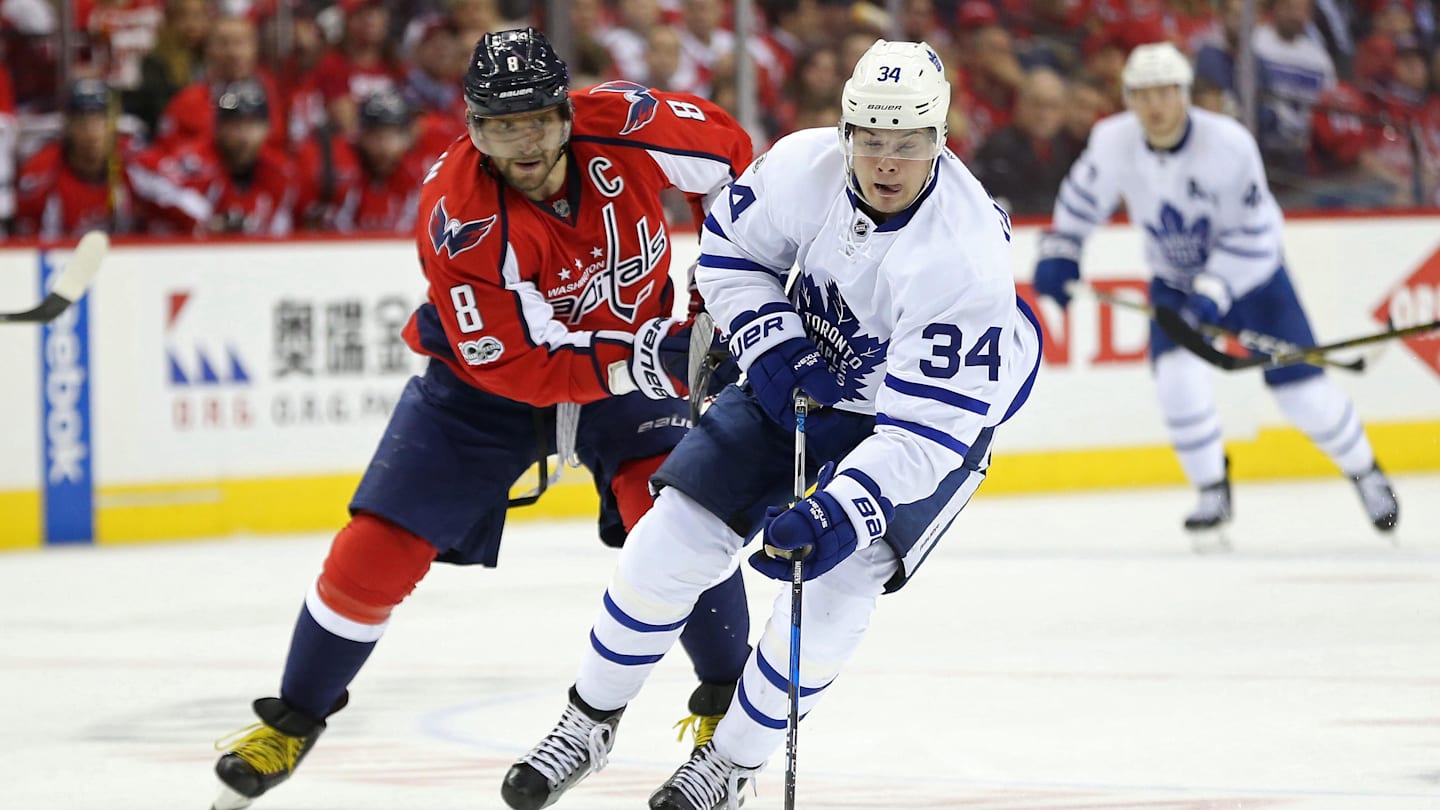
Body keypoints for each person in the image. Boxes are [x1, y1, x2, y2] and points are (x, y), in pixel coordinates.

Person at [208, 28, 755, 810]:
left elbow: (735, 165)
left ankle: (726, 719)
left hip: (635, 357)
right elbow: (515, 366)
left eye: (534, 119)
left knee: (676, 519)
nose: (520, 143)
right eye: (498, 125)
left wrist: (713, 298)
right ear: (472, 126)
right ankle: (294, 718)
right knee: (377, 548)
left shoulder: (632, 123)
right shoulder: (459, 216)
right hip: (484, 387)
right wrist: (643, 359)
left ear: (567, 113)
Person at [505, 39, 1042, 810]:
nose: (889, 163)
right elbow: (727, 253)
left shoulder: (962, 260)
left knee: (837, 586)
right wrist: (771, 340)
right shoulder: (803, 167)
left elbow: (924, 437)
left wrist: (839, 506)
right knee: (673, 532)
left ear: (941, 140)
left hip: (927, 420)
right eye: (874, 142)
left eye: (910, 145)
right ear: (847, 132)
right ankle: (586, 722)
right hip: (807, 372)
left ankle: (729, 765)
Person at [1033, 42, 1399, 542]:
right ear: (1128, 100)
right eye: (1142, 95)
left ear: (1184, 94)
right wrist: (1062, 249)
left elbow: (1255, 234)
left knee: (1304, 397)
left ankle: (1366, 472)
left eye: (1165, 92)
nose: (1155, 106)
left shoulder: (1228, 145)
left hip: (1253, 280)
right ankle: (1211, 491)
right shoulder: (1112, 140)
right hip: (1174, 283)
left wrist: (1214, 292)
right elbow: (1080, 199)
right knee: (1176, 383)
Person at [13, 79, 139, 238]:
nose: (91, 132)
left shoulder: (135, 164)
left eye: (100, 119)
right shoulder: (41, 174)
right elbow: (26, 247)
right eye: (82, 120)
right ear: (68, 125)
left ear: (113, 123)